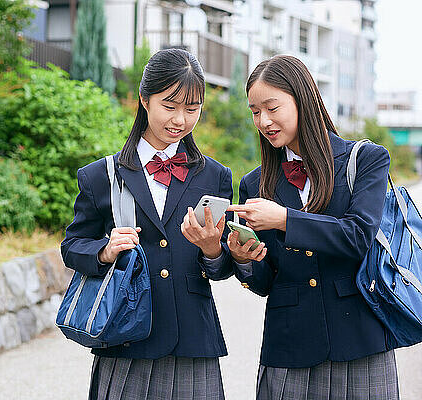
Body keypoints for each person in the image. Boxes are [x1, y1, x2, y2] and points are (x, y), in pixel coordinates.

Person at [61, 48, 235, 399]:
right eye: (170, 106)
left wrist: (213, 249)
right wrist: (106, 251)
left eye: (192, 109)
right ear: (144, 100)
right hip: (125, 337)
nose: (180, 120)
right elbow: (72, 246)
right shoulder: (102, 176)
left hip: (193, 340)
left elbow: (221, 269)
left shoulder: (215, 176)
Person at [226, 55, 398, 399]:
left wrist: (284, 219)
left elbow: (357, 236)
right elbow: (265, 283)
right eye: (255, 111)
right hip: (289, 349)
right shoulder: (254, 184)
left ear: (303, 98)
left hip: (360, 344)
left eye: (272, 107)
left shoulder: (365, 160)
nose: (264, 121)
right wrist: (244, 260)